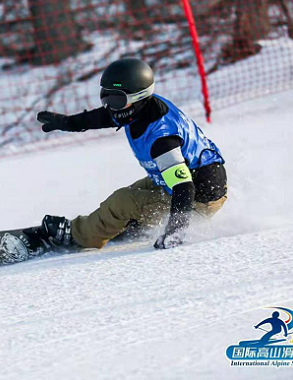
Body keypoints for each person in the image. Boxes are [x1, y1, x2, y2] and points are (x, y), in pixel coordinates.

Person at [36, 58, 227, 250]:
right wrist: (66, 123)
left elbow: (184, 188)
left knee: (123, 201)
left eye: (116, 101)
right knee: (135, 191)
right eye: (106, 98)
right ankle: (133, 223)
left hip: (199, 201)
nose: (110, 107)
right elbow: (102, 117)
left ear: (139, 97)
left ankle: (80, 236)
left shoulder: (162, 141)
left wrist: (175, 232)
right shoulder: (138, 109)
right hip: (179, 179)